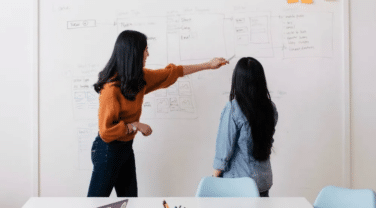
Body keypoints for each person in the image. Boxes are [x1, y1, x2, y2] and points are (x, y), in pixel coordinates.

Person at [87, 30, 228, 197]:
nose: (148, 54)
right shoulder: (111, 89)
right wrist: (135, 126)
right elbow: (106, 132)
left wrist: (208, 65)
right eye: (145, 49)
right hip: (107, 150)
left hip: (125, 148)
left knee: (131, 202)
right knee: (96, 203)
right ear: (133, 53)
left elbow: (173, 72)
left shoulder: (139, 79)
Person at [212, 57, 278, 197]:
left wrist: (213, 180)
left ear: (238, 80)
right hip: (263, 182)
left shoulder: (233, 109)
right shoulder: (270, 108)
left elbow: (224, 151)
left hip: (238, 185)